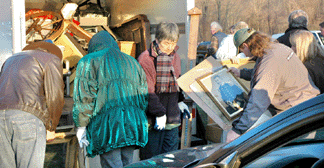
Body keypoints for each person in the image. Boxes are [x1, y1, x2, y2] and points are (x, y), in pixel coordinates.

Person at [226, 28, 320, 142]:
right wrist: (241, 73)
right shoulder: (277, 48)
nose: (243, 54)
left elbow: (258, 100)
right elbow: (268, 73)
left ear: (245, 45)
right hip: (309, 106)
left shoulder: (270, 59)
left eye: (241, 50)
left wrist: (237, 131)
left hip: (296, 115)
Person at [72, 31, 149, 168]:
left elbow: (85, 98)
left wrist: (81, 125)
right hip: (133, 123)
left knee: (113, 164)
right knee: (128, 164)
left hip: (109, 126)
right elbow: (143, 96)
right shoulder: (132, 62)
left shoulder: (89, 61)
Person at [0, 40, 64, 168]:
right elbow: (55, 95)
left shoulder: (10, 60)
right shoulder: (50, 59)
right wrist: (51, 127)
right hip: (27, 117)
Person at [137, 21, 191, 160]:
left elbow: (176, 81)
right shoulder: (146, 59)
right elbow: (147, 91)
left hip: (172, 117)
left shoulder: (175, 57)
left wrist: (180, 100)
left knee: (170, 159)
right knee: (152, 159)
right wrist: (159, 113)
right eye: (167, 43)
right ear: (157, 39)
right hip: (153, 120)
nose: (170, 47)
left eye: (173, 43)